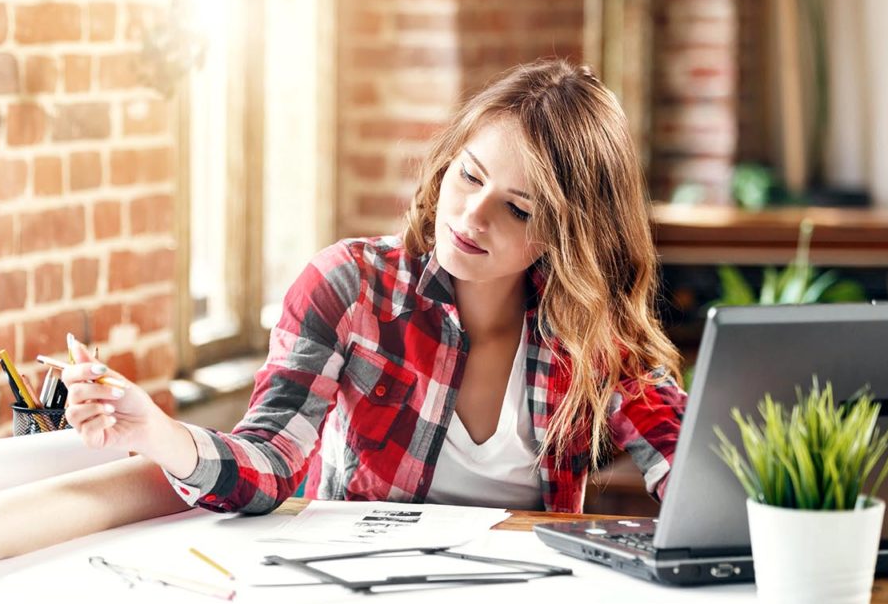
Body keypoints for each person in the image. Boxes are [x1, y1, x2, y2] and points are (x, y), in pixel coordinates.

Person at [63, 57, 687, 520]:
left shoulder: (590, 327)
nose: (472, 216)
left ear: (566, 235)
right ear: (447, 164)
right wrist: (154, 431)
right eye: (469, 177)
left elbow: (684, 466)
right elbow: (268, 465)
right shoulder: (350, 287)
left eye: (518, 210)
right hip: (362, 603)